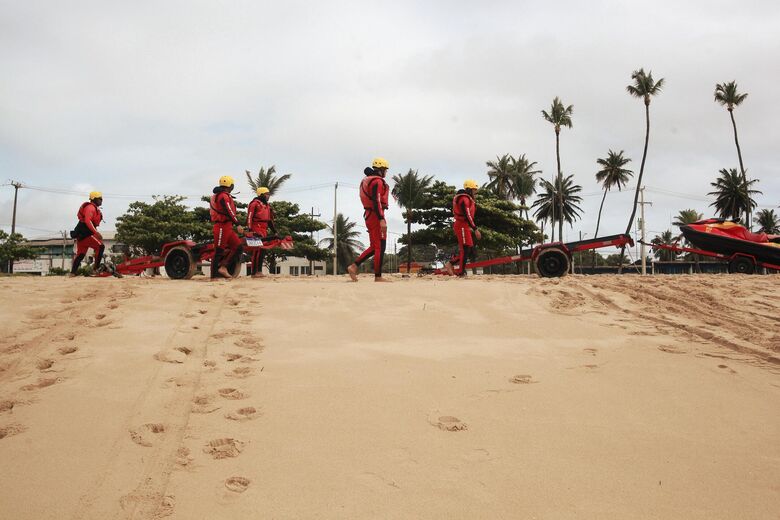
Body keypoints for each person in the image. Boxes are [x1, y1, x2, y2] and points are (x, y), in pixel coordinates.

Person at [348, 158, 391, 282]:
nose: (386, 173)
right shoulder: (377, 181)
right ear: (381, 170)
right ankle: (378, 277)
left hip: (369, 214)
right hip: (375, 215)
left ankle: (353, 266)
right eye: (385, 171)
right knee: (380, 247)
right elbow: (376, 200)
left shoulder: (368, 180)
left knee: (374, 246)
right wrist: (381, 219)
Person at [209, 175, 244, 279]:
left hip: (228, 227)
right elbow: (228, 211)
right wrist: (238, 224)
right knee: (219, 251)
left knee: (238, 247)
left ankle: (223, 266)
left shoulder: (224, 195)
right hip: (221, 226)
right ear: (230, 186)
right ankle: (214, 276)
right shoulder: (223, 196)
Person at [445, 180, 482, 277]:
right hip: (461, 225)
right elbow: (467, 214)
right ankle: (458, 270)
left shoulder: (467, 198)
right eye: (474, 190)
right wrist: (475, 229)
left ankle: (454, 266)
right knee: (465, 249)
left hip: (464, 225)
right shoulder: (464, 199)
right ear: (469, 189)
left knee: (469, 249)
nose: (475, 192)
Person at [70, 191, 105, 277]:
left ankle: (72, 273)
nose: (101, 201)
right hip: (86, 234)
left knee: (80, 255)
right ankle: (95, 269)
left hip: (81, 235)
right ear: (94, 199)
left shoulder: (94, 208)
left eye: (101, 199)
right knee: (100, 246)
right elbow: (87, 220)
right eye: (100, 199)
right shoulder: (90, 208)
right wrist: (96, 233)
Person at [246, 186, 276, 278]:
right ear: (261, 194)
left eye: (269, 194)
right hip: (256, 228)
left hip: (264, 228)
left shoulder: (267, 205)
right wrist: (250, 230)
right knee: (257, 250)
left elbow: (269, 220)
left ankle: (259, 271)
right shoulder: (254, 203)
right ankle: (254, 272)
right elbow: (249, 217)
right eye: (267, 194)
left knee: (262, 250)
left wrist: (275, 231)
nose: (268, 196)